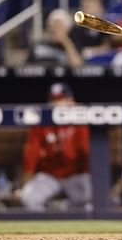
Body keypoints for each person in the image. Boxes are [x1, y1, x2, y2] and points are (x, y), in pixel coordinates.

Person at [18, 82, 92, 211]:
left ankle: (63, 210)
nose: (56, 104)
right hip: (49, 175)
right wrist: (24, 185)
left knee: (92, 200)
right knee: (28, 199)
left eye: (61, 99)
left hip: (75, 175)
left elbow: (86, 153)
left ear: (71, 101)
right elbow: (31, 154)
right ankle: (46, 227)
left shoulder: (81, 120)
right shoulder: (41, 121)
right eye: (52, 100)